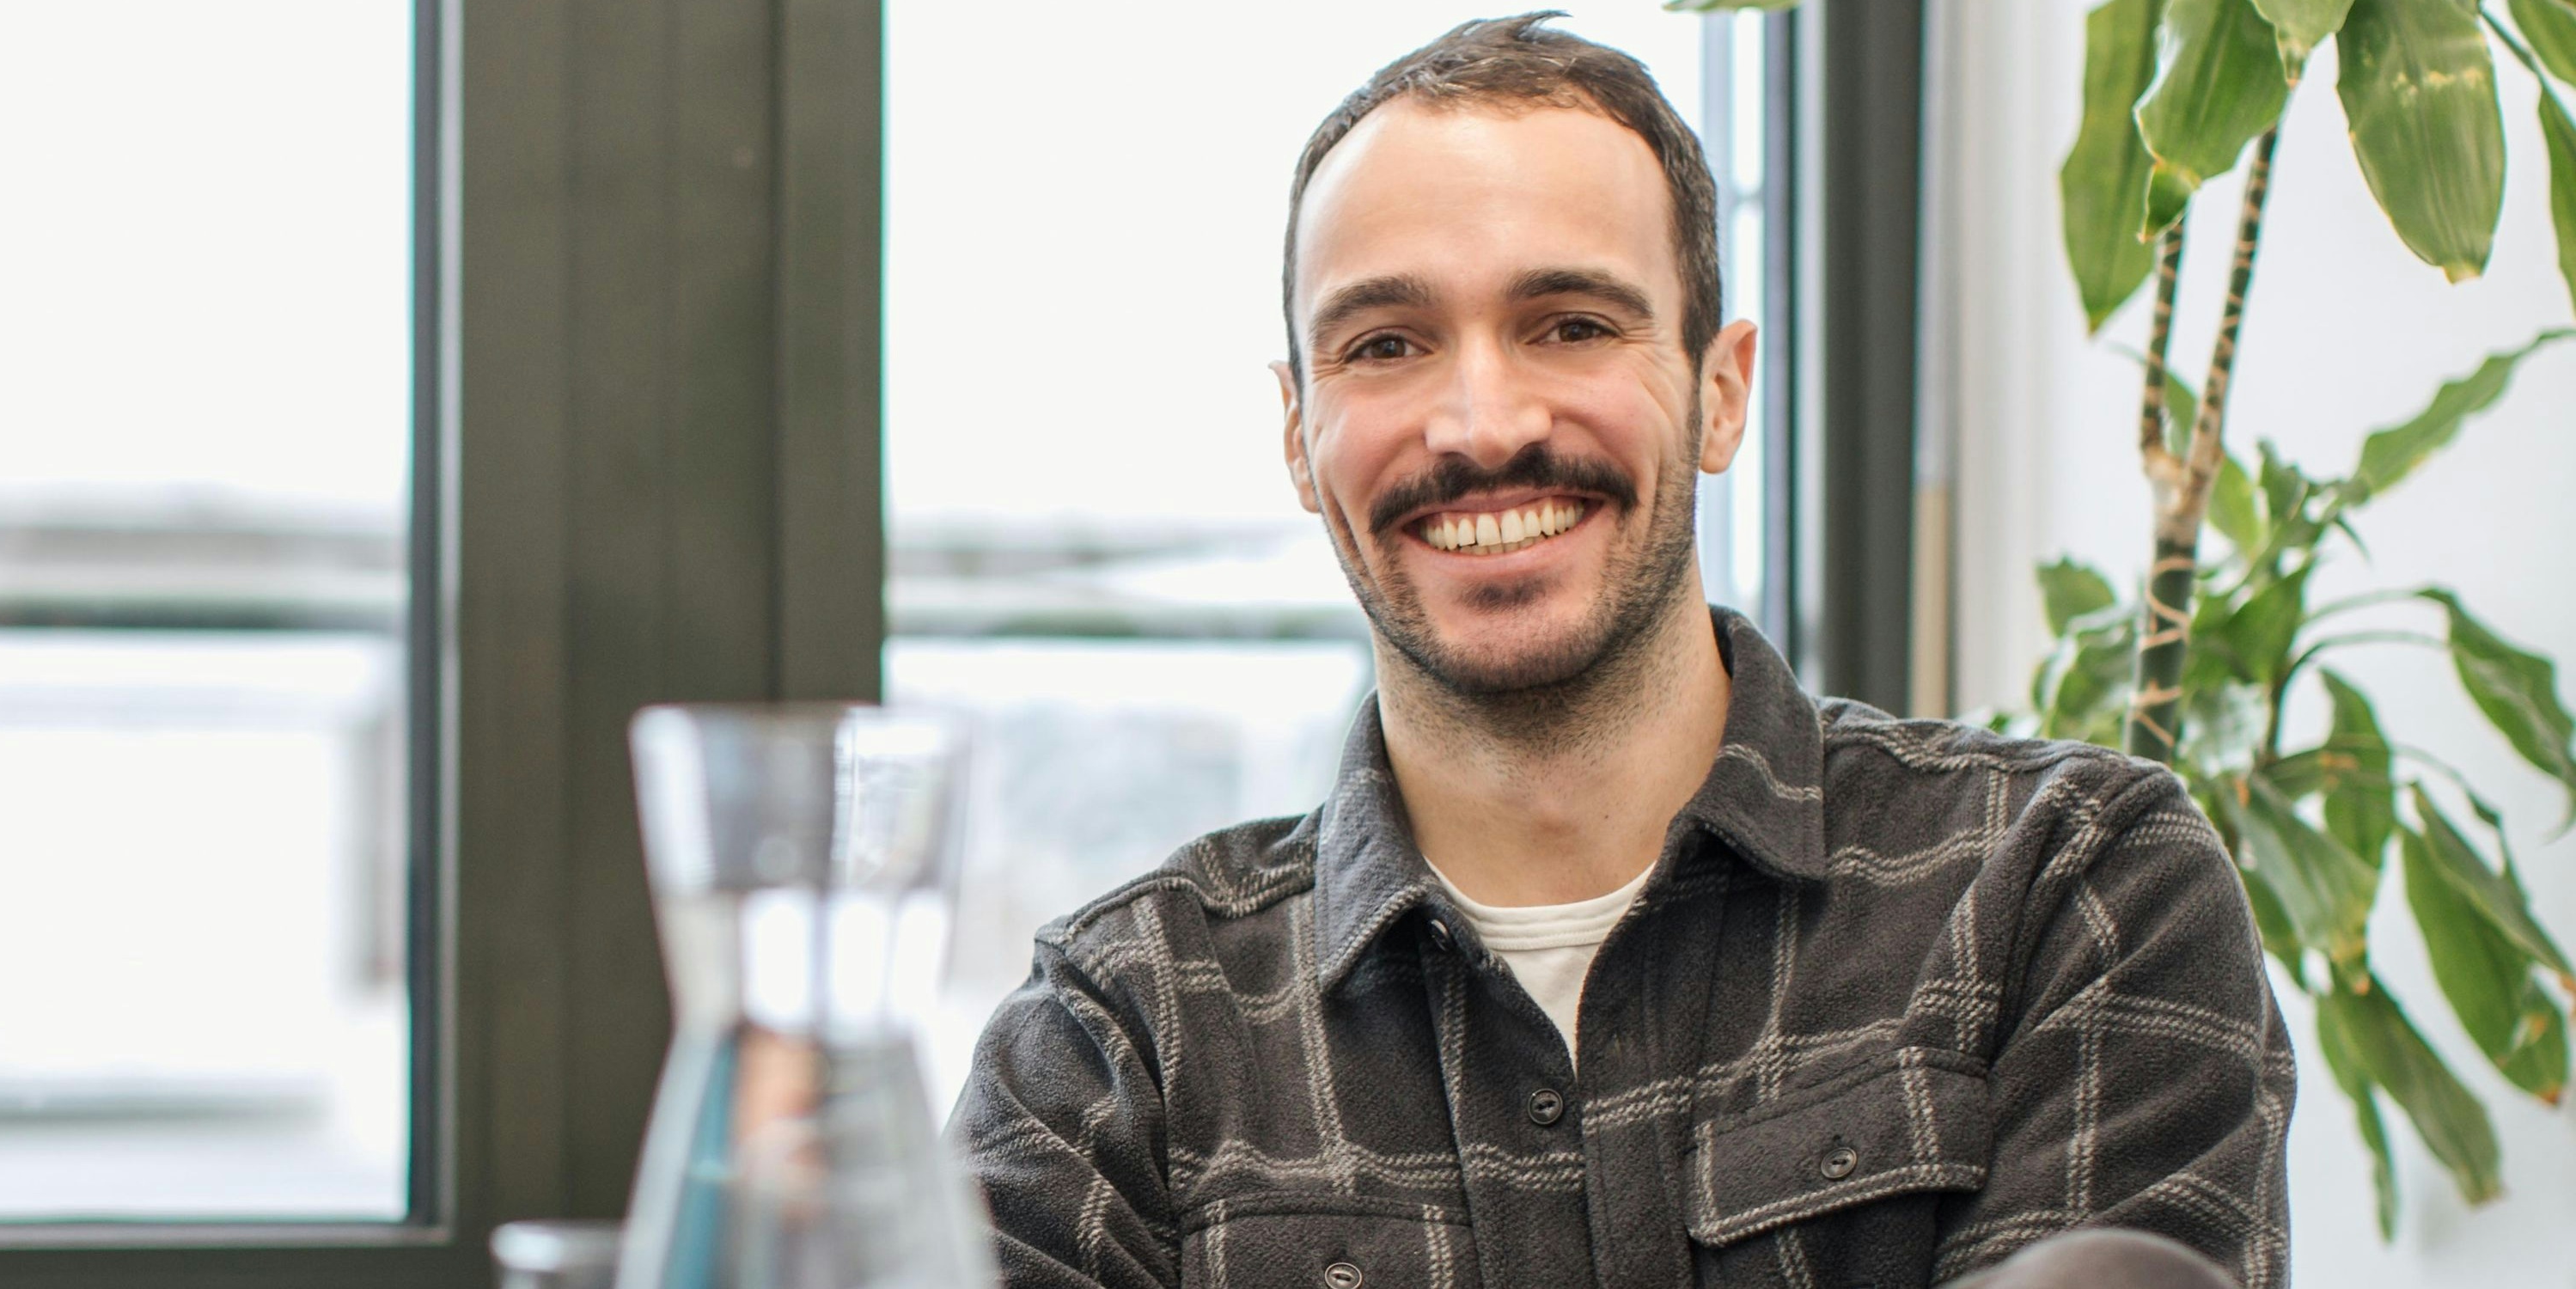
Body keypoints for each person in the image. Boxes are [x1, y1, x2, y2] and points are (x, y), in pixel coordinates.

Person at [949, 14, 2294, 1289]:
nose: (1481, 423)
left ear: (1720, 391)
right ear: (1300, 437)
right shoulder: (1120, 1038)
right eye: (1387, 343)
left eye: (1572, 324)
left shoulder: (2070, 889)